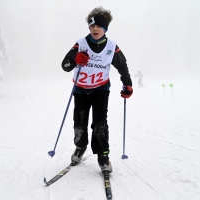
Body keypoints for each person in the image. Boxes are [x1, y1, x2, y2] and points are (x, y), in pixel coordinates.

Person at [61, 7, 133, 173]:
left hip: (101, 89)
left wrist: (127, 84)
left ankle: (103, 155)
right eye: (92, 26)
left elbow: (122, 65)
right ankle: (80, 147)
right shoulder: (81, 44)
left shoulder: (111, 47)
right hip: (80, 90)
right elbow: (65, 65)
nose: (95, 29)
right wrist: (75, 58)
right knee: (79, 123)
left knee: (100, 124)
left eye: (99, 26)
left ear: (105, 28)